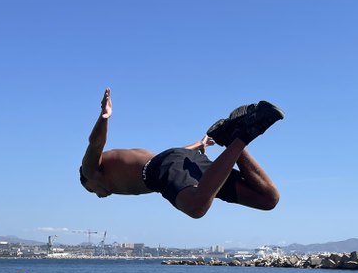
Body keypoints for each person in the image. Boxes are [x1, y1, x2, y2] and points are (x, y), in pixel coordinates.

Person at [79, 88, 283, 219]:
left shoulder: (90, 171)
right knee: (267, 199)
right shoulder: (131, 169)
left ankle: (245, 134)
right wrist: (198, 144)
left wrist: (104, 118)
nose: (98, 195)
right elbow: (174, 157)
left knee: (196, 207)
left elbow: (95, 144)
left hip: (161, 168)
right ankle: (231, 138)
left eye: (91, 191)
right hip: (181, 161)